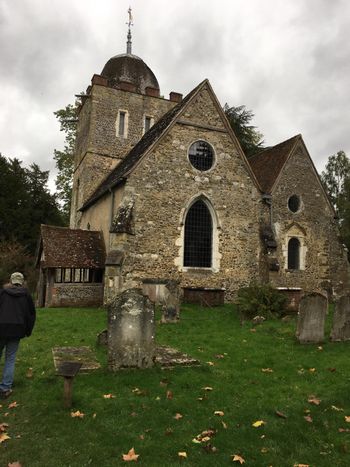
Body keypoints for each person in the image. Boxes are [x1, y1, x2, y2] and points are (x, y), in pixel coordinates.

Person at [0, 272, 36, 398]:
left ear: (10, 281)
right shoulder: (26, 295)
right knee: (10, 358)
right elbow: (31, 315)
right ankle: (5, 388)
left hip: (1, 328)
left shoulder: (3, 293)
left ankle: (5, 387)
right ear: (22, 282)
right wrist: (28, 331)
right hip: (17, 330)